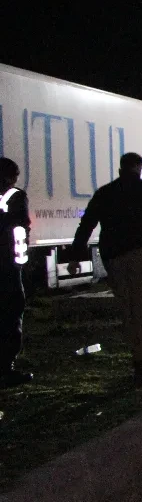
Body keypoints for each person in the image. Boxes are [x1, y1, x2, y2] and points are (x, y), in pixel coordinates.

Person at [70, 152, 142, 382]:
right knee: (141, 306)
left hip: (113, 256)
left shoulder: (105, 193)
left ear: (121, 168)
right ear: (140, 168)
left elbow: (87, 224)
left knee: (126, 307)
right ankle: (141, 363)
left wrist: (74, 256)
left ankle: (135, 355)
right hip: (140, 253)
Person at [0, 157, 33, 387]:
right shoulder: (16, 197)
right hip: (7, 266)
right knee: (12, 312)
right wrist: (21, 260)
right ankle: (6, 368)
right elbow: (21, 228)